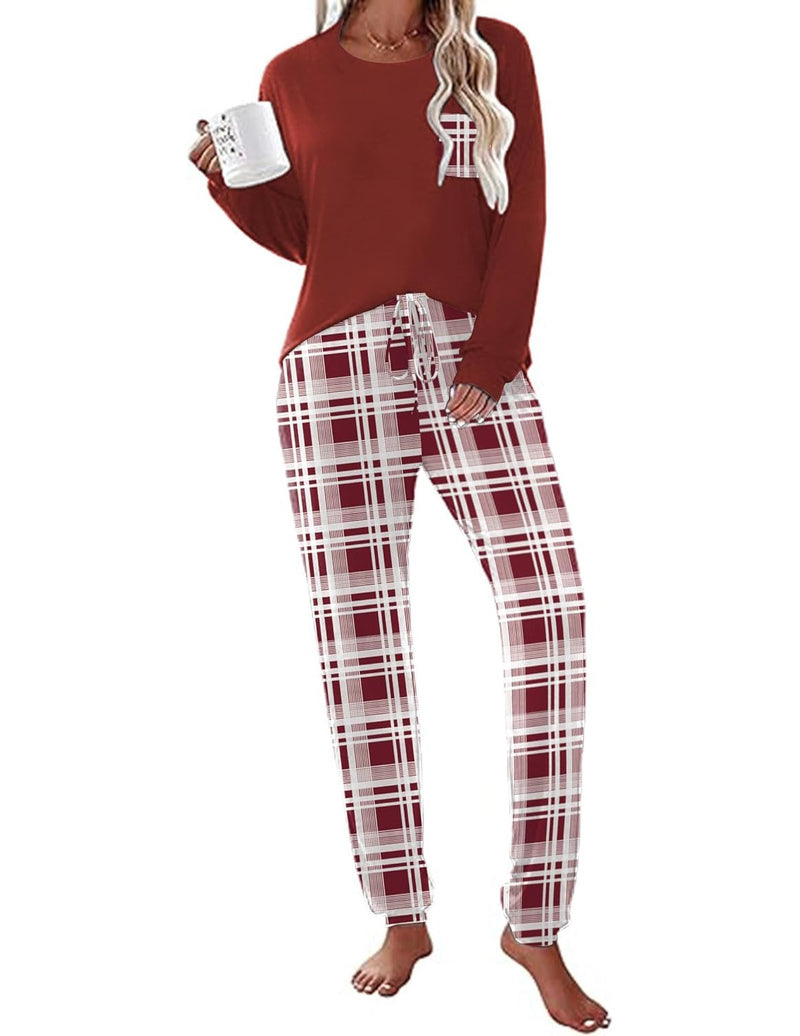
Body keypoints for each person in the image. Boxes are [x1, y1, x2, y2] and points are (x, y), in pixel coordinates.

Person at [189, 1, 609, 1029]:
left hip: (471, 355)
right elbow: (311, 236)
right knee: (361, 643)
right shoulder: (291, 73)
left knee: (550, 610)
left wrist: (494, 355)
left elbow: (525, 206)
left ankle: (535, 923)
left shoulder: (494, 51)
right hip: (331, 363)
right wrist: (225, 180)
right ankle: (401, 914)